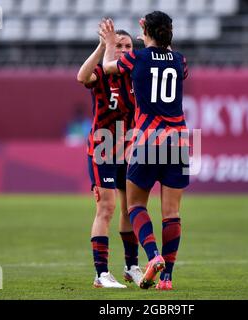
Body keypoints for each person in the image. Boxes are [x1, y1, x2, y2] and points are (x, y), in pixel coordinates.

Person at [100, 11, 189, 290]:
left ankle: (153, 256)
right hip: (179, 141)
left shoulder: (135, 58)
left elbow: (106, 67)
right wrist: (159, 38)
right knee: (171, 213)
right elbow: (169, 55)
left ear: (144, 30)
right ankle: (167, 278)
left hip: (147, 139)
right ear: (169, 34)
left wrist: (110, 43)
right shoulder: (179, 60)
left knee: (135, 205)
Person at [77, 22, 143, 289]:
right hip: (103, 148)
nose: (124, 50)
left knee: (132, 208)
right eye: (119, 46)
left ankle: (131, 267)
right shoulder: (102, 74)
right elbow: (82, 77)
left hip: (128, 148)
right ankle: (101, 274)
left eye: (128, 46)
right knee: (106, 208)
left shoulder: (136, 73)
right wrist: (103, 45)